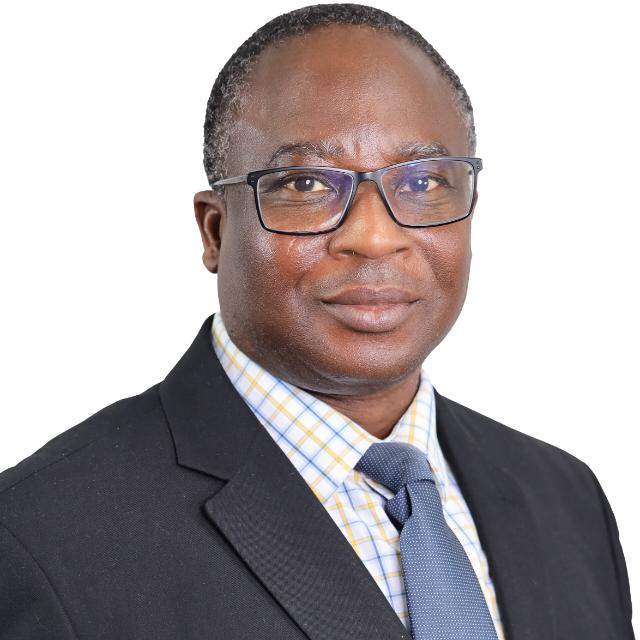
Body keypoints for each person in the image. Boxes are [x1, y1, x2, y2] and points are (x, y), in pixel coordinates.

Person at [0, 3, 634, 639]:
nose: (375, 237)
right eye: (305, 184)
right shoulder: (40, 539)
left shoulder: (565, 499)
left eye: (422, 183)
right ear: (214, 230)